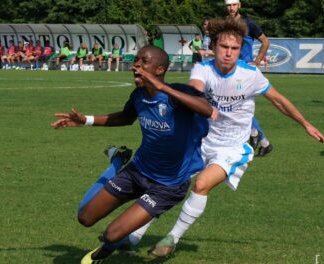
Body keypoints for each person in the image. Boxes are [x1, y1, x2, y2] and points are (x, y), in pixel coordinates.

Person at [120, 18, 324, 258]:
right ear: (214, 46)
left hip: (232, 147)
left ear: (240, 49)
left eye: (235, 48)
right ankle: (134, 235)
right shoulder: (202, 69)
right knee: (167, 186)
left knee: (201, 184)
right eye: (224, 47)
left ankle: (172, 238)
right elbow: (195, 90)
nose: (229, 53)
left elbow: (278, 100)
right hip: (200, 141)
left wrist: (306, 124)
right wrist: (202, 102)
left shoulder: (251, 74)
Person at [50, 45, 212, 264]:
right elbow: (125, 118)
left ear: (159, 69)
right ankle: (117, 162)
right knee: (85, 218)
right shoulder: (139, 96)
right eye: (136, 60)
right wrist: (86, 120)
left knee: (111, 235)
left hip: (167, 186)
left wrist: (163, 88)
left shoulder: (178, 95)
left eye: (143, 61)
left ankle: (101, 255)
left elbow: (206, 109)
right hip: (137, 172)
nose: (136, 65)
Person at [225, 0, 273, 156]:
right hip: (230, 70)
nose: (231, 8)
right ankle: (264, 142)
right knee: (238, 106)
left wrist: (258, 60)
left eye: (233, 5)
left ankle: (255, 134)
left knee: (236, 105)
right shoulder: (225, 23)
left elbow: (265, 42)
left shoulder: (249, 23)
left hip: (244, 72)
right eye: (228, 5)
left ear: (239, 5)